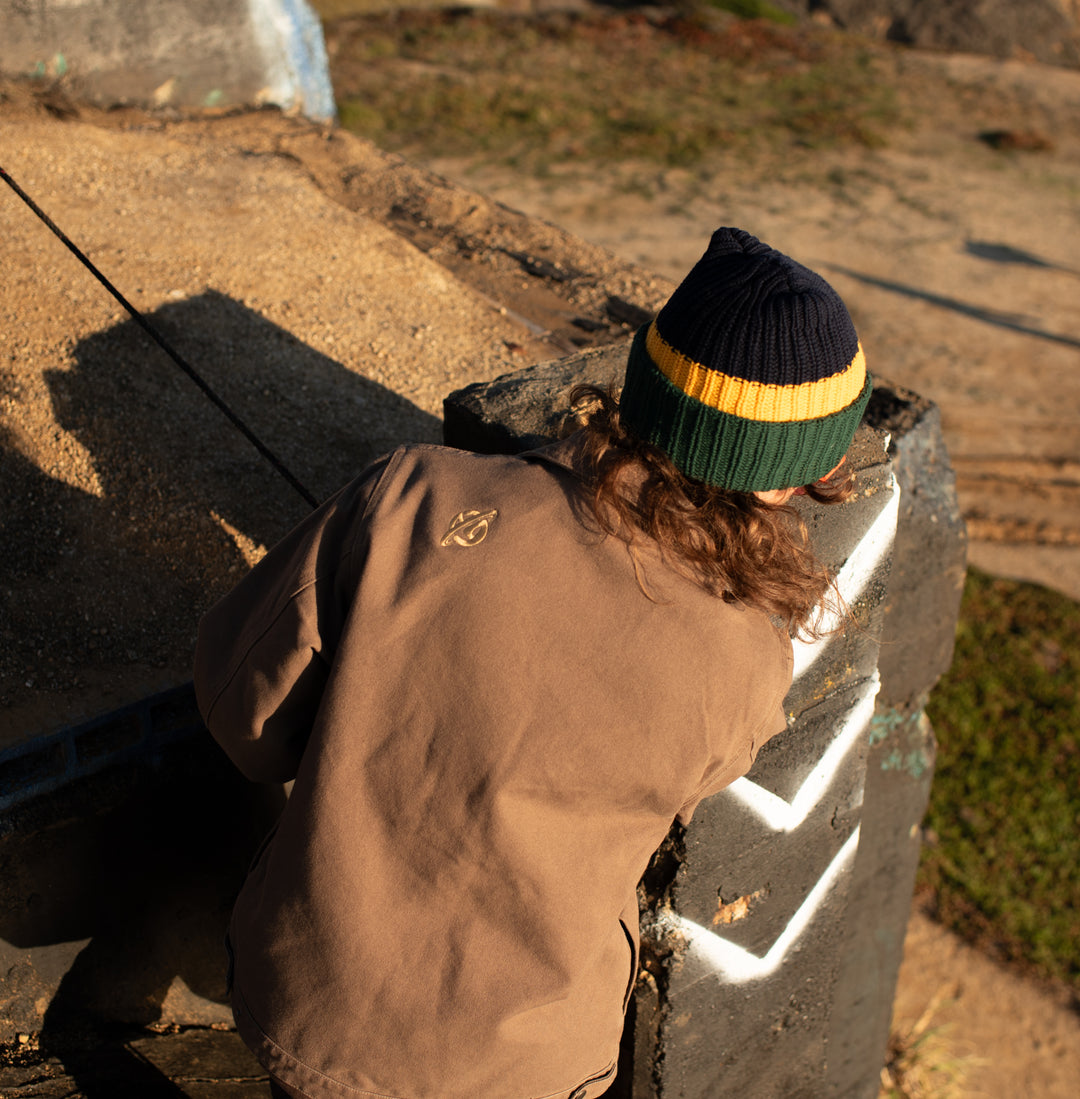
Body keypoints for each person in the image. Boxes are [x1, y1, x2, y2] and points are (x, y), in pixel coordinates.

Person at [194, 227, 872, 1099]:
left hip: (311, 1004)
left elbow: (238, 703)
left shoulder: (413, 493)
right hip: (520, 1066)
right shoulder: (747, 661)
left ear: (643, 389)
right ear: (779, 479)